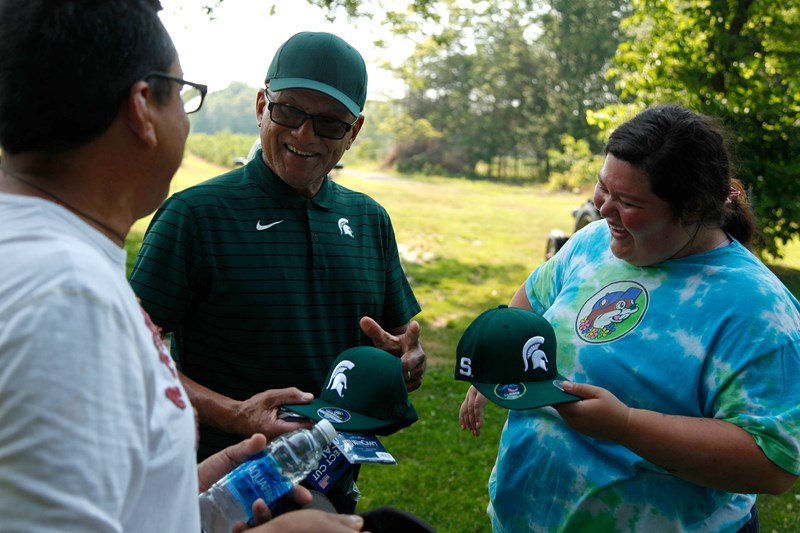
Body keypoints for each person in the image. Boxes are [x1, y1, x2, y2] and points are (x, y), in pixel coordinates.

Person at [0, 2, 366, 532]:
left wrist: (185, 499)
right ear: (143, 109)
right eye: (184, 94)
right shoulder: (68, 301)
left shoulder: (43, 264)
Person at [459, 104, 800, 532]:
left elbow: (772, 464)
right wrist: (497, 358)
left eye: (628, 201)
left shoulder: (757, 309)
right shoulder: (594, 243)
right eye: (603, 188)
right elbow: (532, 297)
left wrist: (625, 426)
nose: (603, 209)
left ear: (691, 210)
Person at [129, 30, 426, 513]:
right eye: (288, 111)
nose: (303, 136)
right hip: (216, 486)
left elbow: (401, 340)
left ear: (354, 132)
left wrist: (410, 363)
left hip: (332, 486)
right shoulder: (195, 216)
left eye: (330, 124)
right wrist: (236, 414)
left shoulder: (370, 220)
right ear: (261, 104)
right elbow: (131, 355)